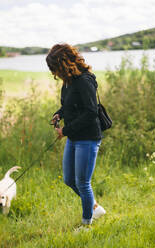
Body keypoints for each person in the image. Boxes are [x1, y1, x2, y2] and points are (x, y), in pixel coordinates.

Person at [46, 43, 106, 225]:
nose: (53, 73)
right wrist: (60, 113)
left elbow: (90, 112)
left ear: (62, 64)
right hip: (74, 137)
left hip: (87, 138)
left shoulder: (85, 80)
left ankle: (86, 223)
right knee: (69, 179)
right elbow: (69, 105)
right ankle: (95, 207)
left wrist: (65, 130)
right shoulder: (69, 80)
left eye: (54, 68)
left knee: (82, 183)